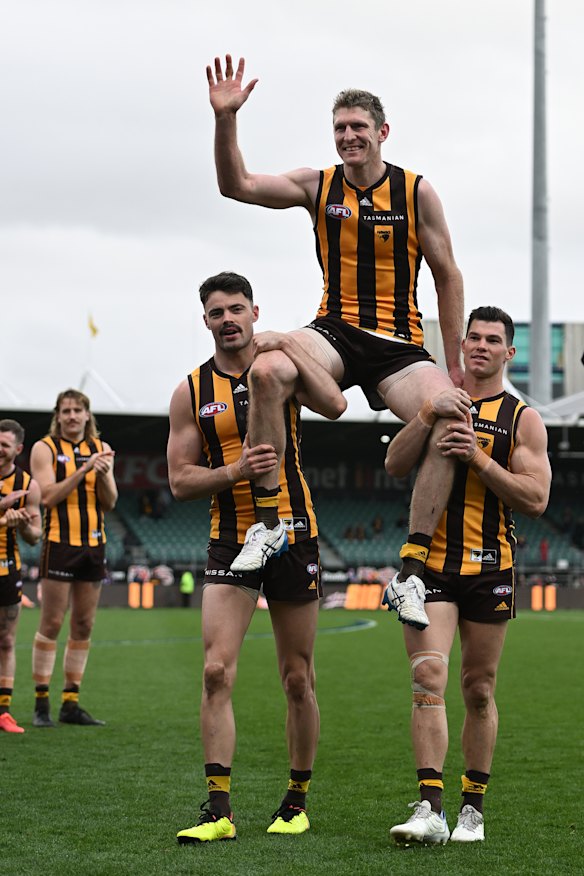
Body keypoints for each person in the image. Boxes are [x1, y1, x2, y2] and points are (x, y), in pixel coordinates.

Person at [206, 55, 469, 631]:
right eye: (339, 129)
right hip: (333, 330)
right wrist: (226, 119)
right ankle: (272, 521)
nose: (348, 137)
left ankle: (410, 573)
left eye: (358, 127)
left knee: (452, 424)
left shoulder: (415, 191)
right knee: (269, 370)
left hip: (399, 345)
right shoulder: (317, 185)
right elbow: (237, 185)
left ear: (382, 132)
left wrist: (454, 366)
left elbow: (448, 274)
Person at [167, 271, 346, 843]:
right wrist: (233, 471)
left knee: (298, 678)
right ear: (205, 321)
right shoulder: (190, 391)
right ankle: (218, 809)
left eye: (236, 309)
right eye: (217, 312)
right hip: (231, 538)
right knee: (216, 671)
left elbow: (336, 405)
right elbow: (179, 480)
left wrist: (290, 343)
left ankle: (296, 800)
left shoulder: (280, 370)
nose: (227, 320)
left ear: (253, 312)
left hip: (293, 532)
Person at [383, 307, 551, 843]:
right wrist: (427, 413)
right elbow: (395, 463)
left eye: (492, 340)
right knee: (427, 677)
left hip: (488, 566)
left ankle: (471, 810)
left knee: (478, 688)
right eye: (472, 338)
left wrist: (479, 460)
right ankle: (429, 807)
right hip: (429, 566)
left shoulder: (522, 418)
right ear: (461, 347)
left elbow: (537, 498)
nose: (480, 346)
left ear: (509, 352)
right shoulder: (439, 400)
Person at [30, 389, 118, 727]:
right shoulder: (45, 448)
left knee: (84, 624)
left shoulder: (100, 449)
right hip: (58, 543)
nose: (71, 416)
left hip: (94, 544)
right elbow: (48, 497)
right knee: (51, 623)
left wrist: (105, 473)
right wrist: (83, 471)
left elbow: (110, 502)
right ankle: (41, 703)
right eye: (65, 411)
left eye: (77, 410)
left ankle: (70, 703)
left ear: (86, 415)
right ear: (58, 415)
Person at [0, 420, 42, 733]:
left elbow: (35, 535)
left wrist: (20, 523)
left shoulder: (27, 484)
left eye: (4, 445)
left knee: (6, 641)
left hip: (6, 570)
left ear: (17, 449)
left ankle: (3, 712)